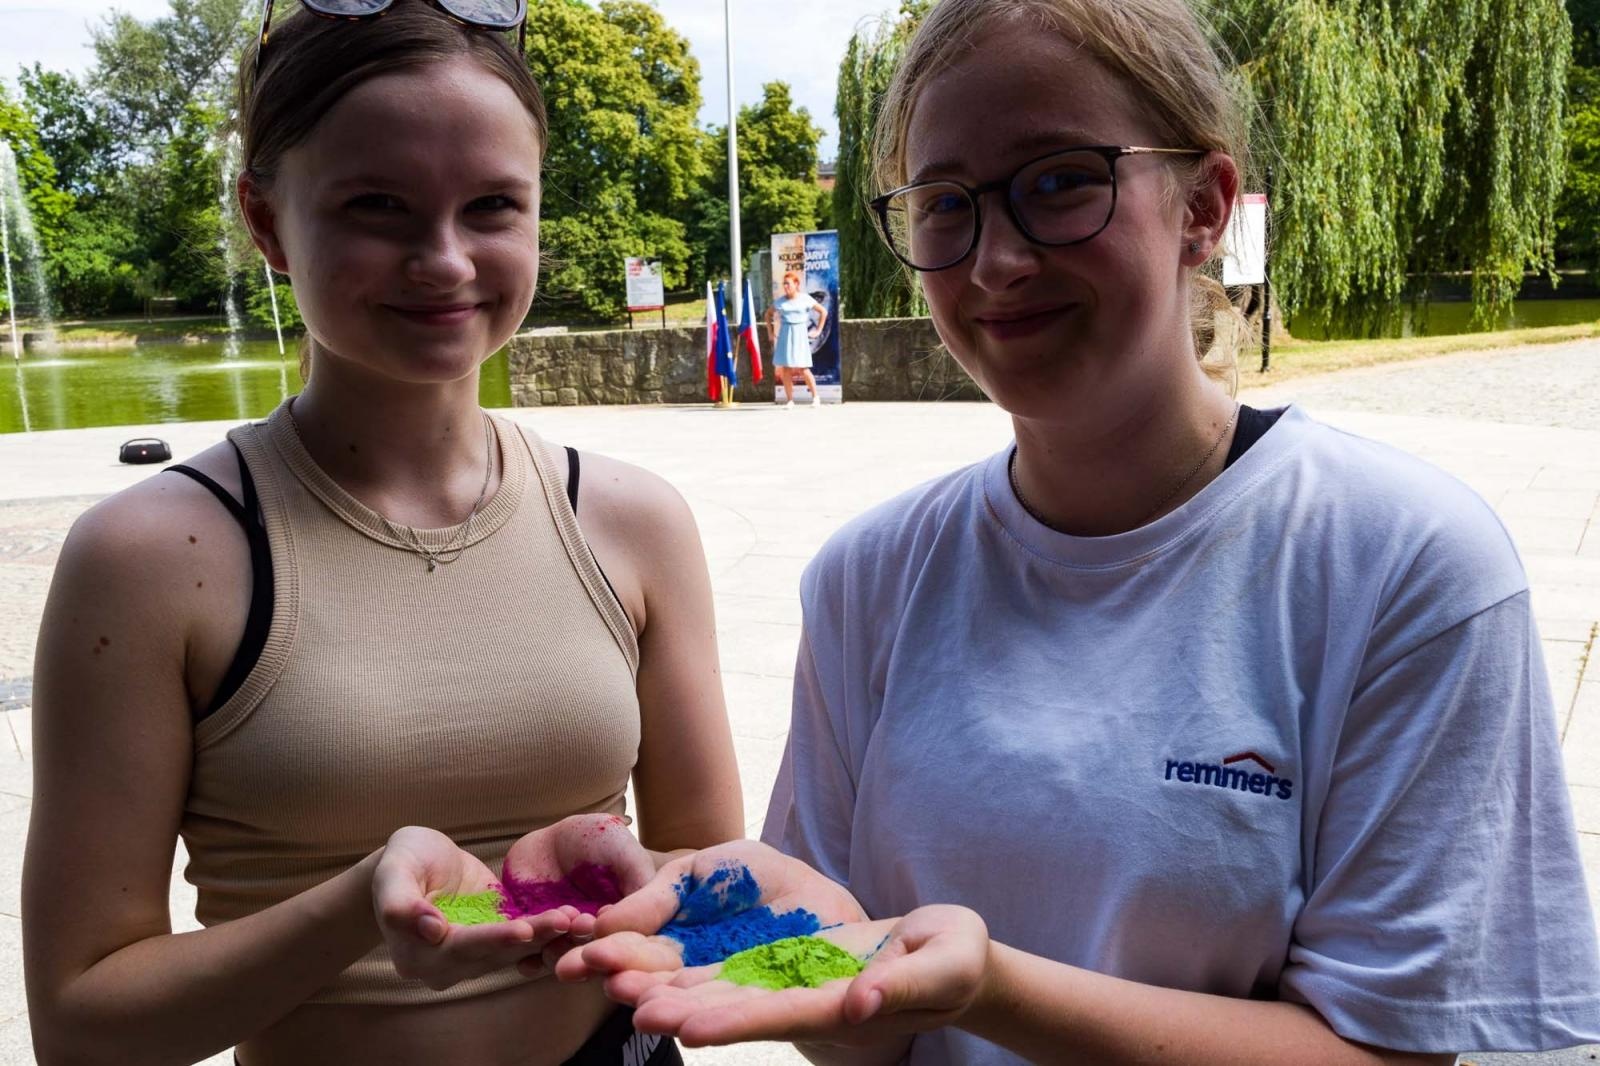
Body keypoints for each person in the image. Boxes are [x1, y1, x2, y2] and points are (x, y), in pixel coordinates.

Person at [564, 0, 1600, 1062]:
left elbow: (1389, 1046)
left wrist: (991, 986)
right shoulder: (867, 576)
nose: (995, 259)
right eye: (944, 202)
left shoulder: (1403, 566)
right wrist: (817, 962)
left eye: (1060, 181)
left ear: (1204, 204)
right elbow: (855, 1028)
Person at [20, 3, 743, 1064]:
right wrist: (361, 905)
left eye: (492, 205)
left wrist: (639, 881)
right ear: (265, 222)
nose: (443, 260)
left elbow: (714, 900)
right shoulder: (150, 560)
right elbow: (83, 1024)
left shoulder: (633, 522)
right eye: (377, 206)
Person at [767, 271, 828, 406]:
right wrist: (770, 332)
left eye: (788, 284)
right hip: (785, 334)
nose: (786, 286)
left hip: (800, 334)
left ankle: (815, 397)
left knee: (803, 368)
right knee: (786, 369)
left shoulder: (805, 298)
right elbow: (768, 314)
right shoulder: (780, 301)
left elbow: (823, 311)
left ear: (796, 284)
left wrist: (818, 330)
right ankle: (790, 400)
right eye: (784, 284)